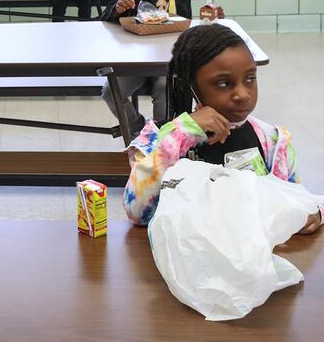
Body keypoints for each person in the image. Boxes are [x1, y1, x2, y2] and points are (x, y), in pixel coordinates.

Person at [123, 23, 323, 234]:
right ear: (190, 85)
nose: (242, 94)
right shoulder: (158, 137)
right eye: (223, 84)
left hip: (252, 258)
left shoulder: (273, 141)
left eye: (250, 79)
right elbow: (138, 213)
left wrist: (314, 212)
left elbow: (296, 198)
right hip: (185, 258)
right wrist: (183, 133)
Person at [101, 0, 224, 135]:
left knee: (165, 91)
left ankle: (163, 139)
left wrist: (210, 21)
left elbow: (185, 30)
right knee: (110, 92)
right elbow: (106, 21)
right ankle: (140, 130)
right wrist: (116, 9)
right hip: (136, 60)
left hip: (169, 62)